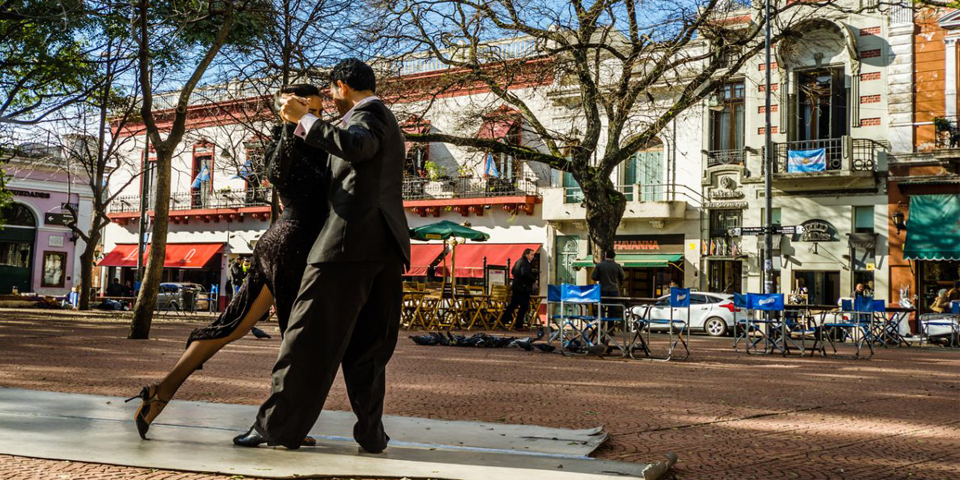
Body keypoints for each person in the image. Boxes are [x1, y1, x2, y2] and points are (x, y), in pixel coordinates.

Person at [127, 83, 329, 442]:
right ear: (291, 109)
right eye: (311, 108)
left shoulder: (307, 143)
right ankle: (281, 425)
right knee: (297, 341)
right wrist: (291, 128)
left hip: (279, 242)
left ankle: (160, 392)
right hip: (293, 245)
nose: (318, 115)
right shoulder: (297, 145)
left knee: (231, 326)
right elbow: (286, 175)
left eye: (319, 110)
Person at [231, 58, 411, 453]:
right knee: (369, 348)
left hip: (344, 247)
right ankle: (371, 434)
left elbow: (357, 147)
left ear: (342, 85)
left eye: (330, 92)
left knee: (304, 338)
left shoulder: (369, 115)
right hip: (384, 249)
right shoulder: (385, 119)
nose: (329, 100)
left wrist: (304, 120)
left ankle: (274, 428)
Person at [500, 248, 537, 330]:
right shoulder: (525, 263)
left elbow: (513, 271)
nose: (533, 256)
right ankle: (518, 325)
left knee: (513, 305)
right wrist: (533, 279)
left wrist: (517, 278)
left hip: (516, 286)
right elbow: (524, 273)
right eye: (531, 254)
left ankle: (503, 320)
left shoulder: (519, 261)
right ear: (526, 254)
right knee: (524, 306)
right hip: (522, 288)